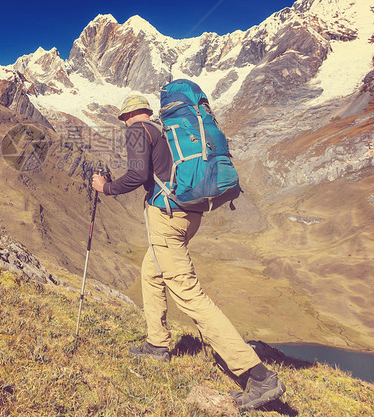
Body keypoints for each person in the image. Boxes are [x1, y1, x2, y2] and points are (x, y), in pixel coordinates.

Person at [91, 93, 285, 411]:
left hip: (166, 219)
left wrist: (107, 187)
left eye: (123, 118)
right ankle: (157, 344)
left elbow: (139, 175)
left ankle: (258, 375)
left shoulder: (138, 131)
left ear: (128, 116)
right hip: (188, 215)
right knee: (151, 272)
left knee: (189, 295)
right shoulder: (164, 131)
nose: (124, 122)